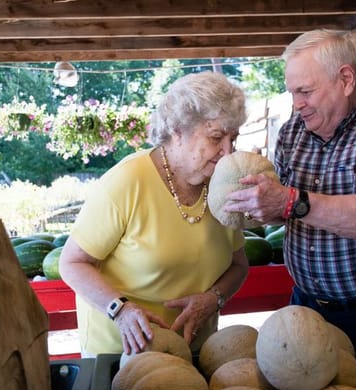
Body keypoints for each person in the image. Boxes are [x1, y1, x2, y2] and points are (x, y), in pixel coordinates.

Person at [223, 29, 356, 360]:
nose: (296, 104)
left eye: (305, 91)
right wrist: (258, 204)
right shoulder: (292, 133)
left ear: (345, 80)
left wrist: (289, 201)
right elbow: (283, 209)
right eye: (291, 92)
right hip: (308, 306)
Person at [59, 71, 249, 357]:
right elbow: (72, 263)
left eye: (233, 138)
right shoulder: (128, 180)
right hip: (122, 354)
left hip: (195, 351)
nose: (228, 150)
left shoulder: (223, 183)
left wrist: (214, 298)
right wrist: (120, 310)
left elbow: (238, 265)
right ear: (177, 131)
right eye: (216, 137)